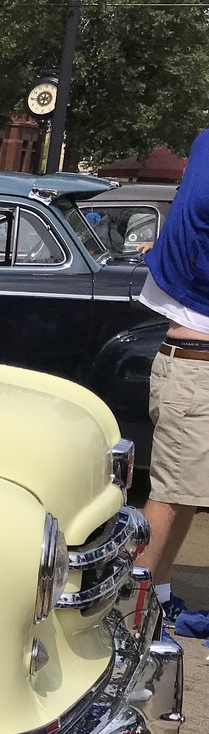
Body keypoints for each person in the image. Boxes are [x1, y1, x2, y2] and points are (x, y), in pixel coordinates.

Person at [136, 125, 209, 622]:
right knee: (170, 496)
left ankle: (153, 601)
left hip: (192, 364)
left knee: (182, 496)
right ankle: (127, 612)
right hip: (195, 366)